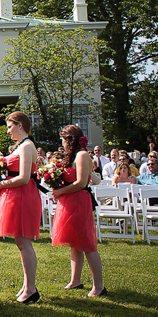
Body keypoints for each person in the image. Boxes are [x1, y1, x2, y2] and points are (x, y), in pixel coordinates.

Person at [0, 111, 41, 303]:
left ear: (20, 125)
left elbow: (24, 177)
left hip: (23, 196)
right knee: (21, 242)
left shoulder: (27, 146)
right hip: (17, 196)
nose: (8, 131)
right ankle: (27, 285)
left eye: (10, 126)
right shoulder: (21, 146)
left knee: (24, 242)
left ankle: (31, 289)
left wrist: (0, 185)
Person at [51, 124, 105, 296]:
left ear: (69, 139)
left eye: (63, 139)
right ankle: (75, 281)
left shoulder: (82, 155)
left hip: (79, 201)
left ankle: (99, 286)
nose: (62, 142)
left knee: (87, 243)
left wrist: (60, 191)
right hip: (69, 201)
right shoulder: (72, 155)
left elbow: (81, 182)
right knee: (75, 243)